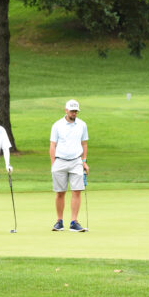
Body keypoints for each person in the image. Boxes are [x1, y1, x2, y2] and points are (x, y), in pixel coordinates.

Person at [49, 99, 89, 232]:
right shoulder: (57, 125)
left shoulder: (82, 125)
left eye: (76, 111)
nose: (74, 113)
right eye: (72, 111)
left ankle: (74, 221)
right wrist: (53, 163)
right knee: (60, 192)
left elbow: (84, 144)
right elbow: (53, 145)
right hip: (60, 161)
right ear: (66, 110)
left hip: (76, 161)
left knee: (76, 191)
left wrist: (84, 161)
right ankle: (59, 221)